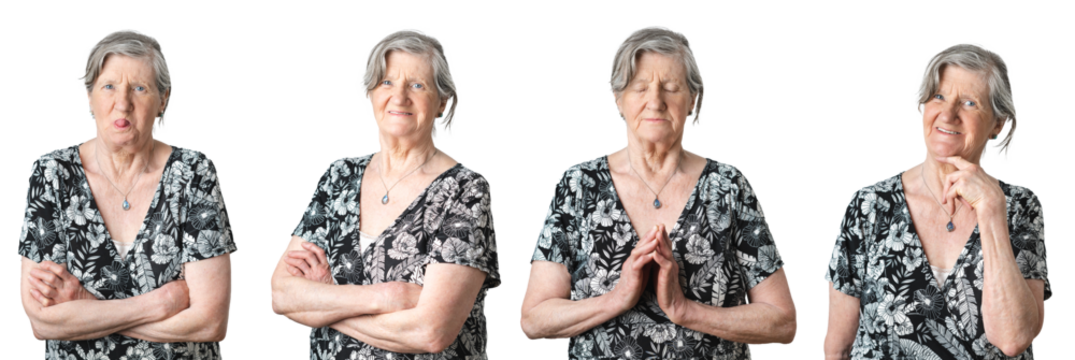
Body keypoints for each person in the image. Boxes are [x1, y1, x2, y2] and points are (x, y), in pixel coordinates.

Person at [520, 24, 796, 359]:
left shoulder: (729, 184)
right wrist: (617, 298)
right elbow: (534, 320)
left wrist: (683, 309)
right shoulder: (578, 184)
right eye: (640, 88)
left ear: (693, 98)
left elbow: (783, 322)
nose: (655, 102)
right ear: (618, 97)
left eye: (671, 87)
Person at [268, 25, 501, 360]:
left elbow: (431, 331)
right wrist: (389, 296)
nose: (399, 96)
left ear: (442, 102)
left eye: (417, 85)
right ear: (371, 93)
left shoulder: (466, 189)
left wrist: (327, 302)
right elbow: (281, 294)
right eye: (387, 82)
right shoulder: (340, 174)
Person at [18, 27, 236, 359]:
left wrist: (87, 308)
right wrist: (160, 303)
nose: (123, 104)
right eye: (108, 86)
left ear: (163, 99)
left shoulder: (194, 172)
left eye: (139, 88)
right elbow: (43, 322)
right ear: (89, 94)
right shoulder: (52, 172)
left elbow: (210, 323)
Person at [823, 40, 1050, 359]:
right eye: (939, 96)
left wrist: (991, 211)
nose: (948, 113)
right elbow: (839, 344)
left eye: (970, 102)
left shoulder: (1020, 205)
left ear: (997, 123)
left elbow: (1013, 339)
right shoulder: (868, 203)